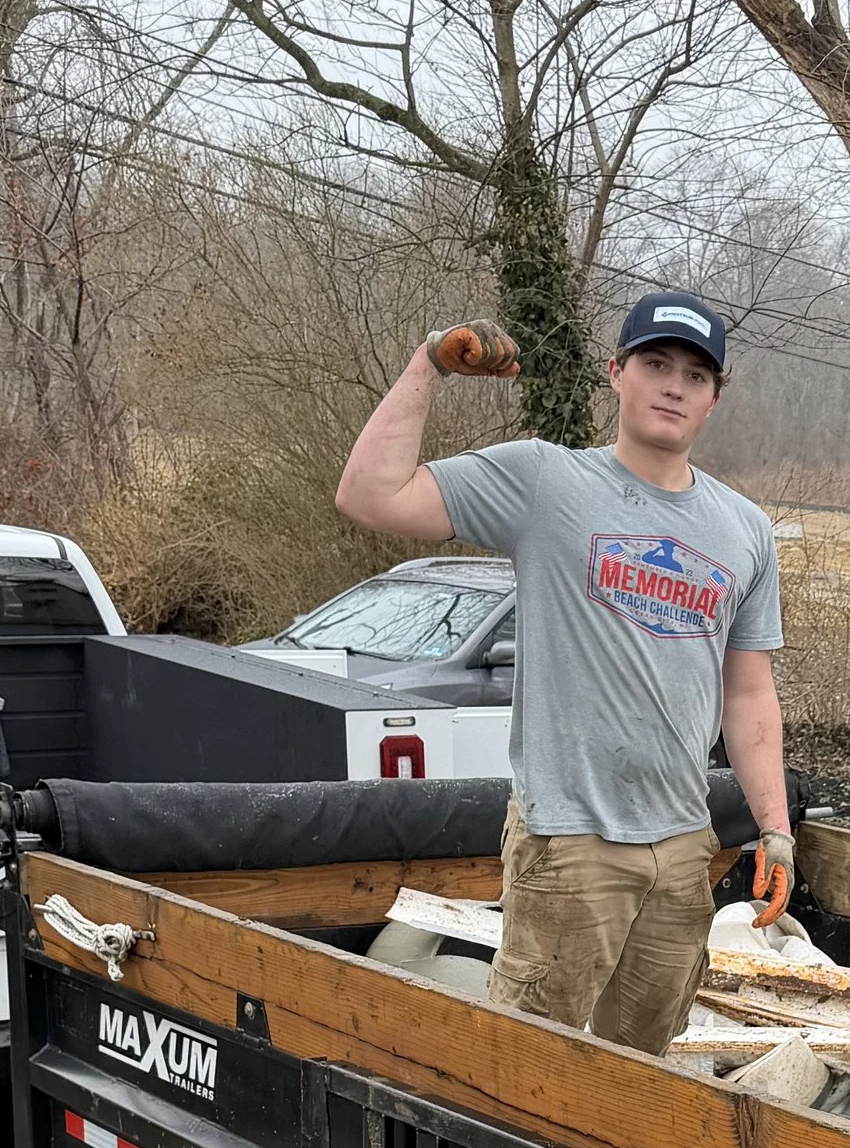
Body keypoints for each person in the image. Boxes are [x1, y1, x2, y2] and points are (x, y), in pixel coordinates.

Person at [334, 291, 794, 1056]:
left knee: (641, 1072)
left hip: (682, 848)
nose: (674, 384)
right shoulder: (545, 482)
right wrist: (427, 365)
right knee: (526, 1070)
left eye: (695, 373)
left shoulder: (745, 531)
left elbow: (748, 693)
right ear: (617, 374)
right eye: (655, 363)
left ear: (715, 397)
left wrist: (774, 827)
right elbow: (370, 493)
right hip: (569, 841)